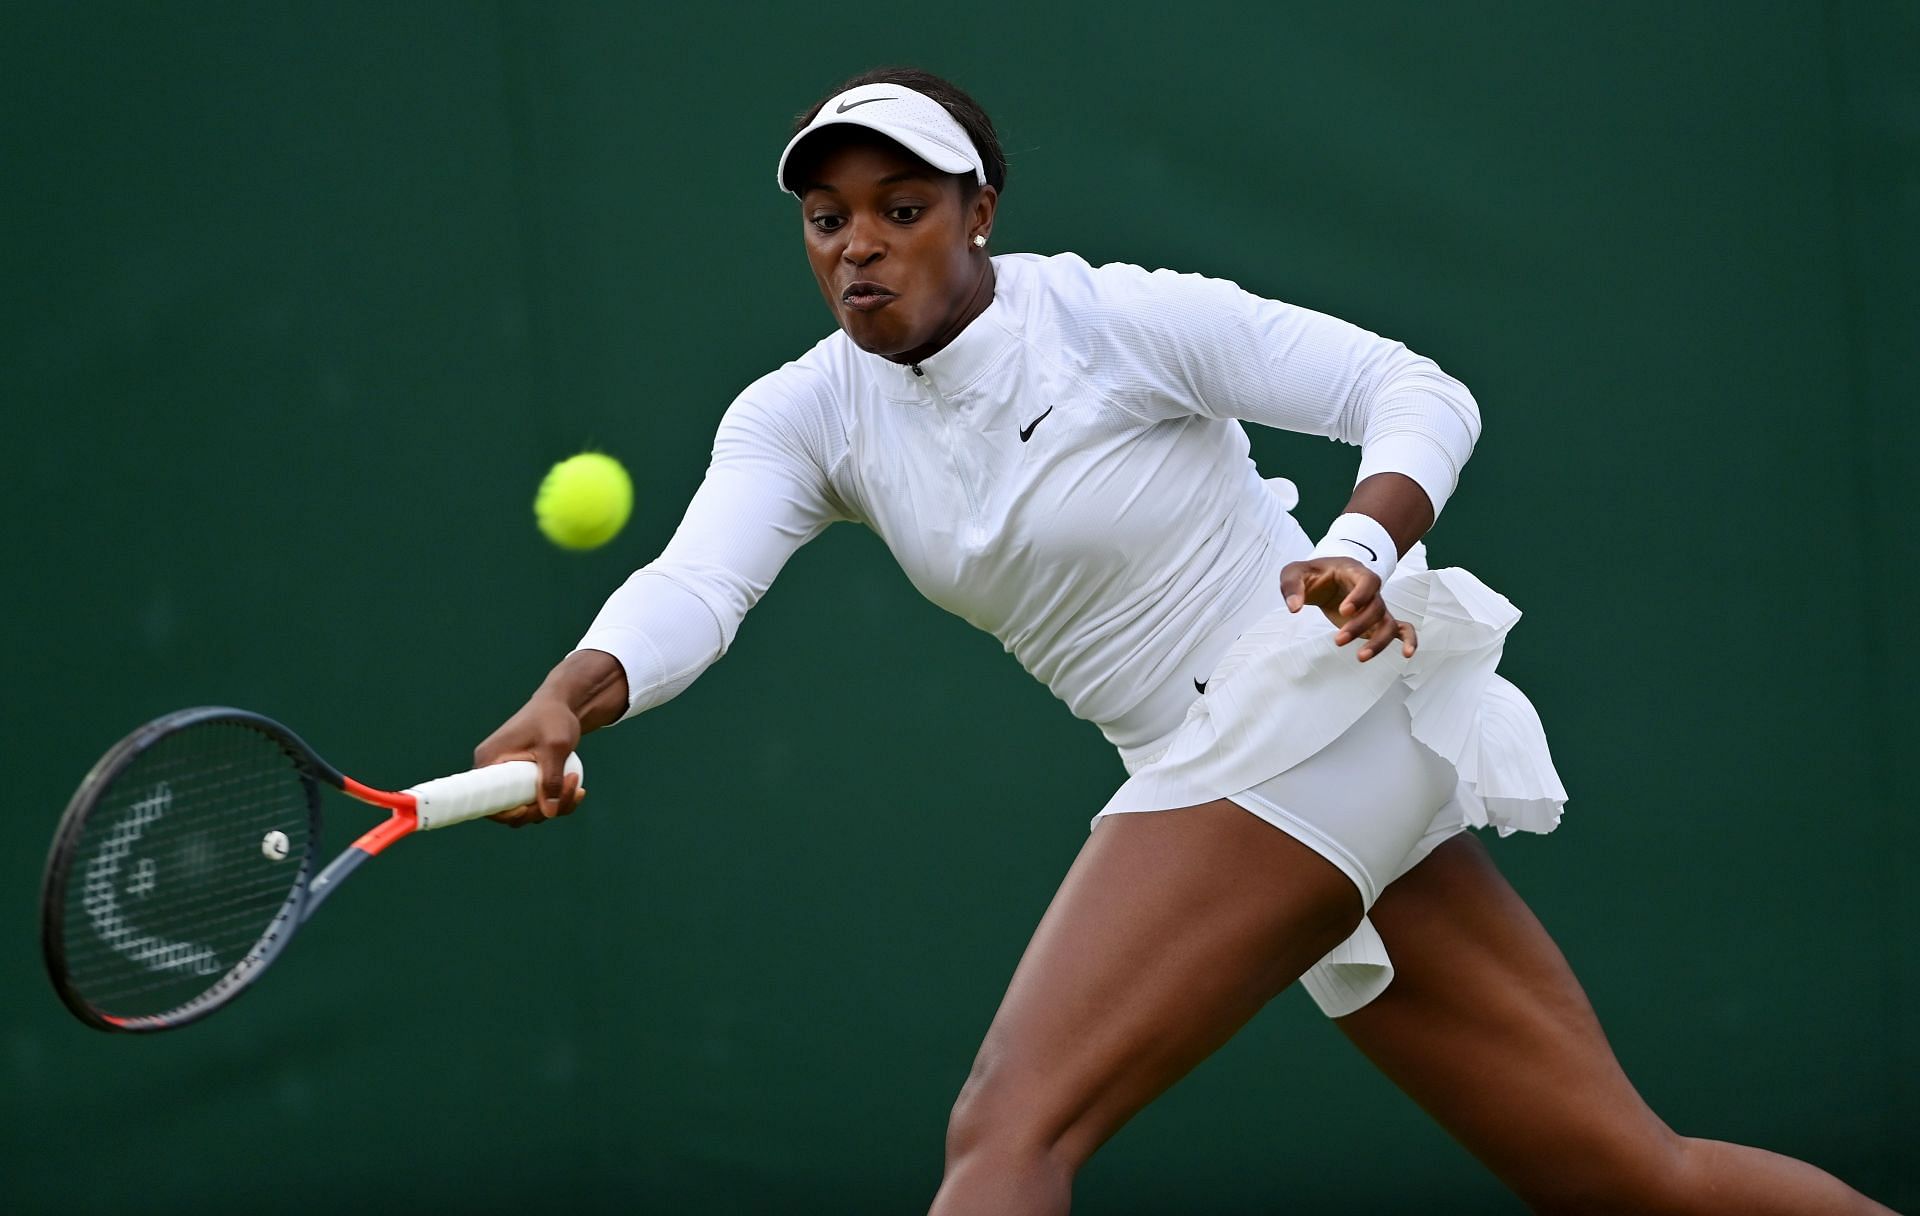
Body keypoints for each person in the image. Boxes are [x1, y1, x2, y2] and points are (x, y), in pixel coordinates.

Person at [474, 68, 1896, 1215]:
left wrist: (1358, 548)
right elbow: (697, 586)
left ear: (979, 211)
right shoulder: (800, 416)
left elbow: (1415, 392)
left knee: (1009, 1130)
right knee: (1623, 1176)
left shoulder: (1108, 318)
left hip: (1294, 714)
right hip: (1293, 764)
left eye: (900, 208)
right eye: (828, 220)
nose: (857, 246)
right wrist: (568, 699)